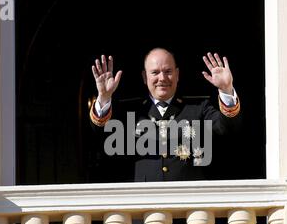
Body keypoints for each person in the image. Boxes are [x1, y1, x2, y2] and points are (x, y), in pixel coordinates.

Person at [89, 48, 241, 182]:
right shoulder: (129, 111)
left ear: (177, 74)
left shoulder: (198, 108)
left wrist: (226, 90)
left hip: (188, 206)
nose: (162, 78)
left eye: (168, 71)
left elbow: (226, 127)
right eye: (155, 72)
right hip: (141, 206)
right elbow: (99, 133)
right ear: (144, 77)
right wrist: (104, 97)